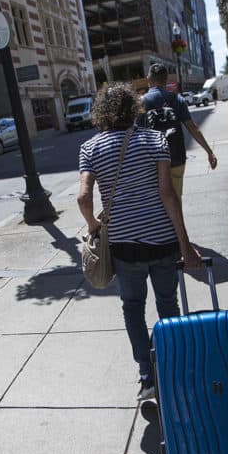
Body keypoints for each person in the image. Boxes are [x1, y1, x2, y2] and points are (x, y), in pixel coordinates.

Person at [78, 83, 202, 401]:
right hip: (162, 240)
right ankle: (173, 366)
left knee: (133, 307)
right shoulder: (154, 139)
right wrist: (185, 245)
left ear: (101, 113)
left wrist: (93, 226)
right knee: (167, 304)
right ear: (135, 108)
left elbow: (83, 197)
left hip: (124, 246)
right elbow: (167, 194)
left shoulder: (90, 149)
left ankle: (146, 375)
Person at [141, 63, 217, 197]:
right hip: (176, 158)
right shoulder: (177, 99)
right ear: (166, 80)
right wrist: (209, 152)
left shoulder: (141, 102)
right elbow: (192, 127)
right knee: (176, 200)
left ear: (149, 80)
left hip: (153, 164)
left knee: (158, 205)